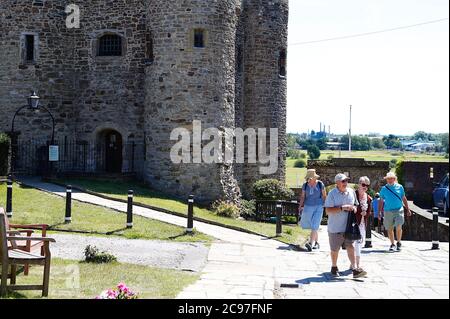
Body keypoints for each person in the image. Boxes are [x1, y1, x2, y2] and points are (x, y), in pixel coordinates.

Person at [324, 173, 367, 279]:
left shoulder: (351, 192)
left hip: (348, 227)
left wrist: (354, 208)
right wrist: (342, 208)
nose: (345, 183)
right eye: (343, 181)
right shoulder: (332, 194)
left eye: (346, 181)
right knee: (335, 249)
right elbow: (328, 210)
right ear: (337, 183)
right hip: (335, 227)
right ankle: (334, 267)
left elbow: (356, 204)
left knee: (350, 246)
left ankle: (355, 269)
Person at [379, 172, 412, 252]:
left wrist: (408, 209)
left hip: (399, 209)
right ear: (386, 180)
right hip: (388, 210)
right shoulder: (384, 189)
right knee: (389, 228)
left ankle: (399, 242)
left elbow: (404, 198)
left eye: (391, 178)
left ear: (394, 179)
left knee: (398, 226)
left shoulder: (400, 187)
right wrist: (380, 211)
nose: (390, 180)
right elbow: (381, 200)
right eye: (388, 179)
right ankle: (392, 244)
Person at [298, 169, 327, 252]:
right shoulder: (305, 185)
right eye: (309, 178)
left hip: (319, 206)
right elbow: (303, 196)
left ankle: (310, 243)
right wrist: (300, 206)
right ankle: (317, 242)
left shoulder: (320, 184)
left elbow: (324, 195)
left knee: (315, 224)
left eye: (311, 178)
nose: (309, 179)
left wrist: (326, 205)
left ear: (314, 177)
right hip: (308, 207)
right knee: (311, 225)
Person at [354, 176, 373, 271]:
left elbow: (369, 211)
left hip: (362, 224)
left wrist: (366, 214)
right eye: (363, 184)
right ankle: (356, 265)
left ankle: (355, 263)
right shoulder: (353, 195)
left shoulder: (369, 198)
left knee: (359, 243)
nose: (365, 187)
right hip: (353, 223)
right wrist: (358, 211)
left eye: (367, 185)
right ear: (359, 184)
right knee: (354, 244)